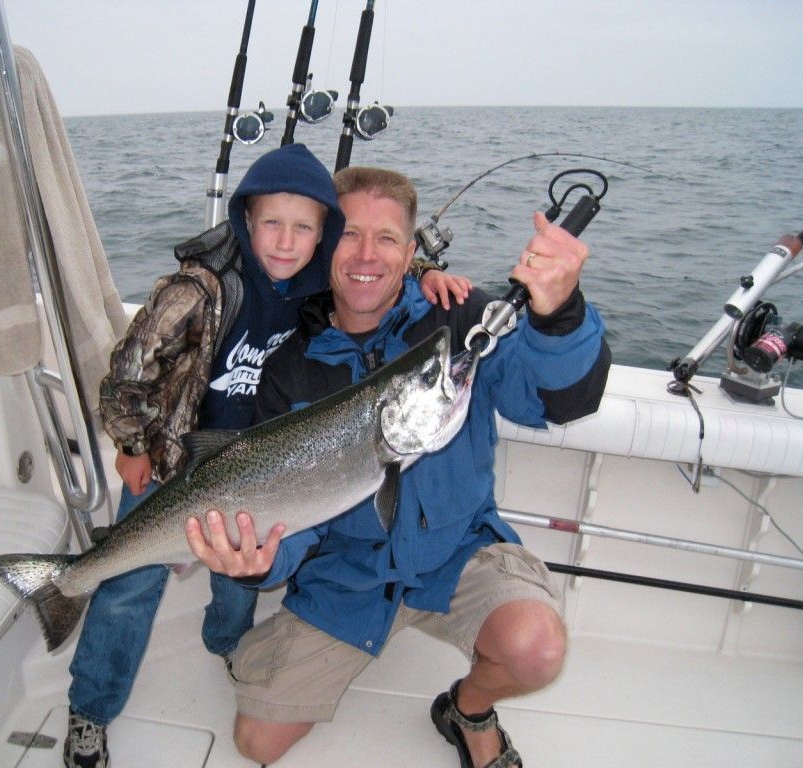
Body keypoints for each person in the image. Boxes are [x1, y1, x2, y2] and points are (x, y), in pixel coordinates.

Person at [186, 166, 611, 767]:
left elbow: (556, 400)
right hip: (347, 575)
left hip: (456, 553)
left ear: (411, 253)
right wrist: (259, 565)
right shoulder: (290, 366)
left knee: (535, 649)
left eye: (387, 238)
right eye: (350, 235)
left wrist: (560, 315)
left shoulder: (460, 318)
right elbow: (292, 506)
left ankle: (468, 708)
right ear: (324, 244)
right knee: (255, 743)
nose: (366, 254)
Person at [64, 146, 472, 768]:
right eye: (271, 224)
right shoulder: (198, 289)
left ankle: (227, 643)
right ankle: (90, 704)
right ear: (245, 221)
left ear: (321, 237)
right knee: (127, 584)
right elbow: (128, 370)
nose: (287, 241)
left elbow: (369, 273)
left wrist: (425, 275)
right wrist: (131, 446)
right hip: (173, 457)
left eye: (305, 227)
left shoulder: (313, 281)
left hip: (254, 460)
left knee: (239, 580)